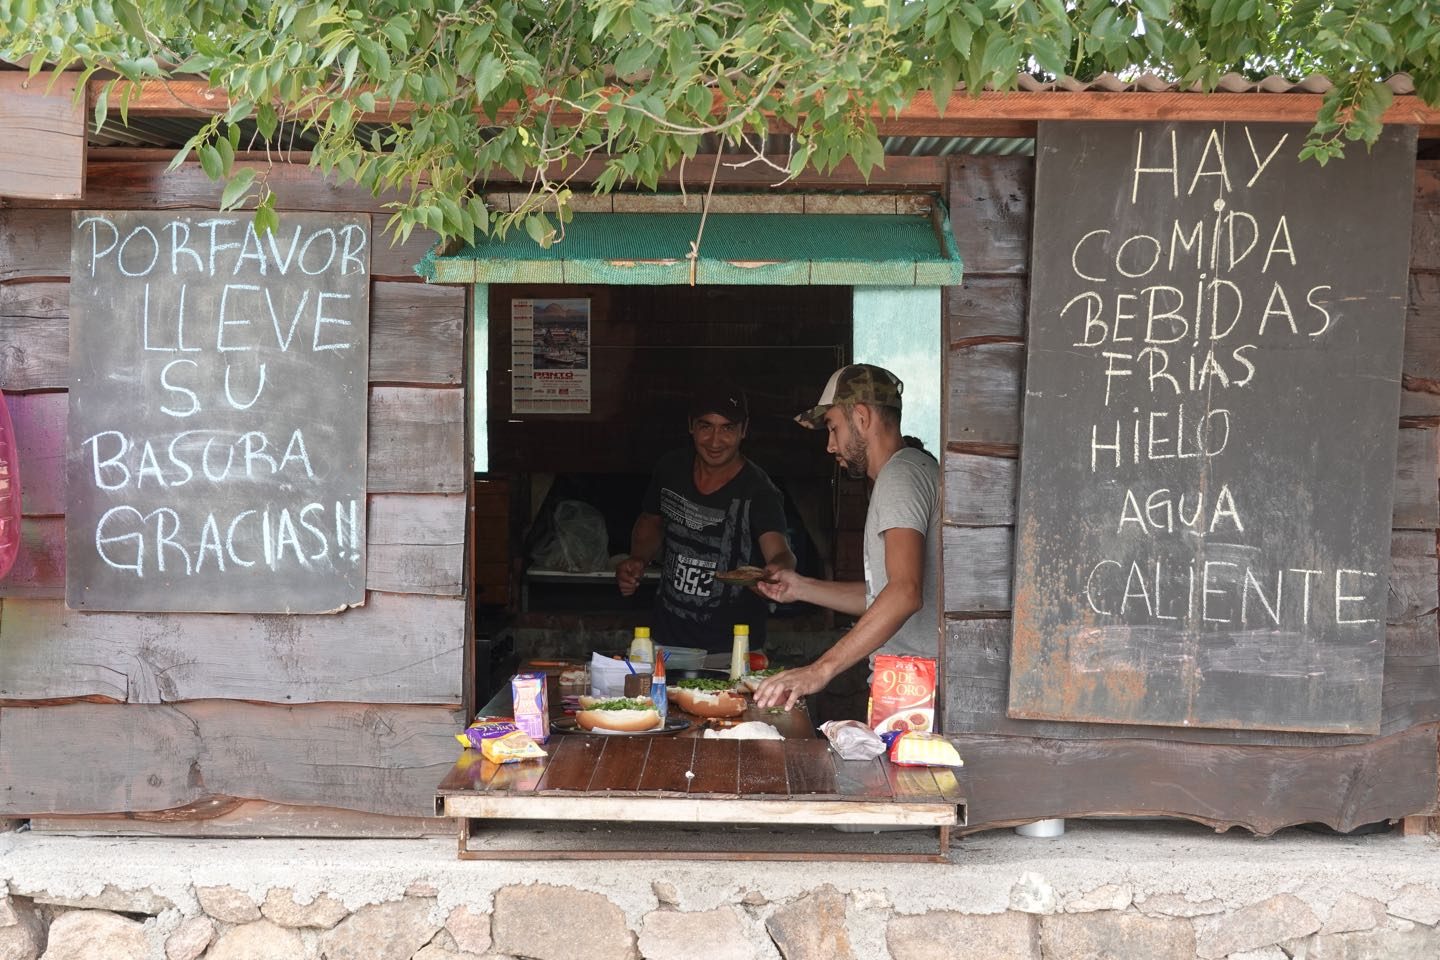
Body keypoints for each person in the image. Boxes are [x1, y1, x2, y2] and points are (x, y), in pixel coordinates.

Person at [754, 364, 940, 710]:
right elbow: (883, 596)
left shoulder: (900, 475)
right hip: (908, 688)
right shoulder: (910, 471)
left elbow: (905, 593)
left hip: (915, 691)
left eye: (832, 427)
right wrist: (800, 587)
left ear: (862, 417)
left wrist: (819, 670)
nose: (829, 445)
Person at [615, 384, 796, 653]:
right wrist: (637, 560)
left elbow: (781, 553)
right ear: (691, 426)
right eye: (706, 426)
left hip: (732, 650)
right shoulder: (671, 468)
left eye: (727, 428)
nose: (714, 441)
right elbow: (651, 520)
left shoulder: (759, 490)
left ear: (743, 430)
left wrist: (774, 573)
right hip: (666, 640)